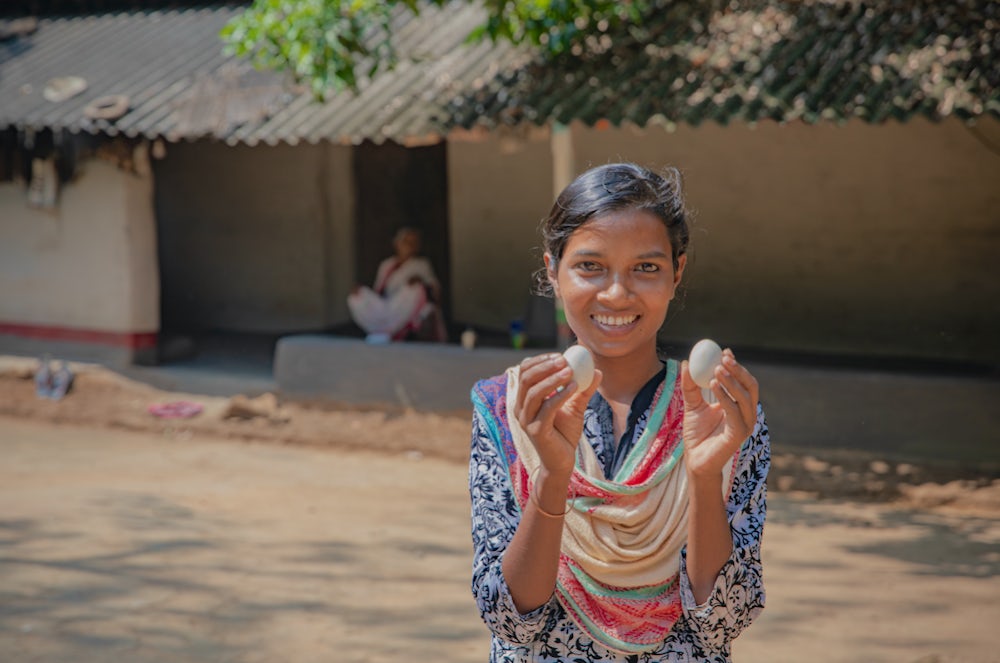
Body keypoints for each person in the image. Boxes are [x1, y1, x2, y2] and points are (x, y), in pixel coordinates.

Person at [468, 163, 769, 662]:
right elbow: (510, 619)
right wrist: (551, 478)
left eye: (646, 267)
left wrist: (702, 476)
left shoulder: (726, 415)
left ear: (678, 272)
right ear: (552, 271)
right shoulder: (508, 409)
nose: (616, 293)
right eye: (590, 266)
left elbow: (721, 624)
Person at [346, 227, 447, 343]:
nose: (410, 245)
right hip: (387, 305)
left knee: (415, 289)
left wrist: (420, 282)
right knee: (358, 296)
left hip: (405, 308)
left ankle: (394, 330)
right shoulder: (386, 264)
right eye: (406, 242)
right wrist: (362, 292)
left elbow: (435, 290)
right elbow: (378, 290)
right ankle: (381, 330)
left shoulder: (421, 264)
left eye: (414, 243)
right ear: (397, 244)